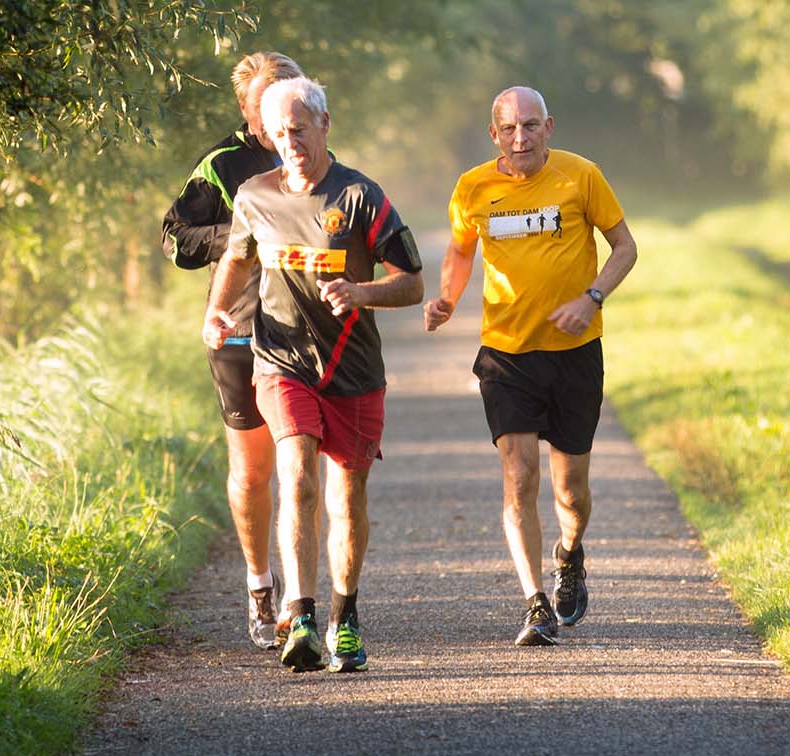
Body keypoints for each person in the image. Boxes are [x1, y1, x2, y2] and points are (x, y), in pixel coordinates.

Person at [203, 77, 423, 672]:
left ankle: (343, 618)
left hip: (352, 370)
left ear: (326, 124)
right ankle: (298, 614)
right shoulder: (253, 195)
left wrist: (360, 291)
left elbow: (412, 283)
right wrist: (216, 312)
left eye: (300, 129)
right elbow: (238, 256)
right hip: (282, 361)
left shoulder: (361, 197)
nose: (291, 141)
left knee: (346, 499)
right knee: (296, 472)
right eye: (280, 132)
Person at [424, 86, 639, 646]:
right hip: (506, 354)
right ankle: (534, 602)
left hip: (574, 353)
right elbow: (461, 251)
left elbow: (625, 248)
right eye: (510, 128)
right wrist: (446, 299)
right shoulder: (472, 187)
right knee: (519, 476)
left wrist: (591, 298)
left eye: (531, 125)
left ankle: (570, 554)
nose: (521, 137)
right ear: (494, 135)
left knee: (571, 492)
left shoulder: (580, 176)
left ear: (549, 127)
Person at [161, 51, 304, 651]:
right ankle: (259, 584)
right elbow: (177, 238)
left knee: (300, 467)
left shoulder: (311, 153)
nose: (279, 113)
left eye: (289, 97)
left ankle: (303, 601)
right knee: (253, 471)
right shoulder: (222, 164)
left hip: (303, 331)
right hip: (242, 330)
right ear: (246, 107)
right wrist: (242, 235)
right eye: (266, 101)